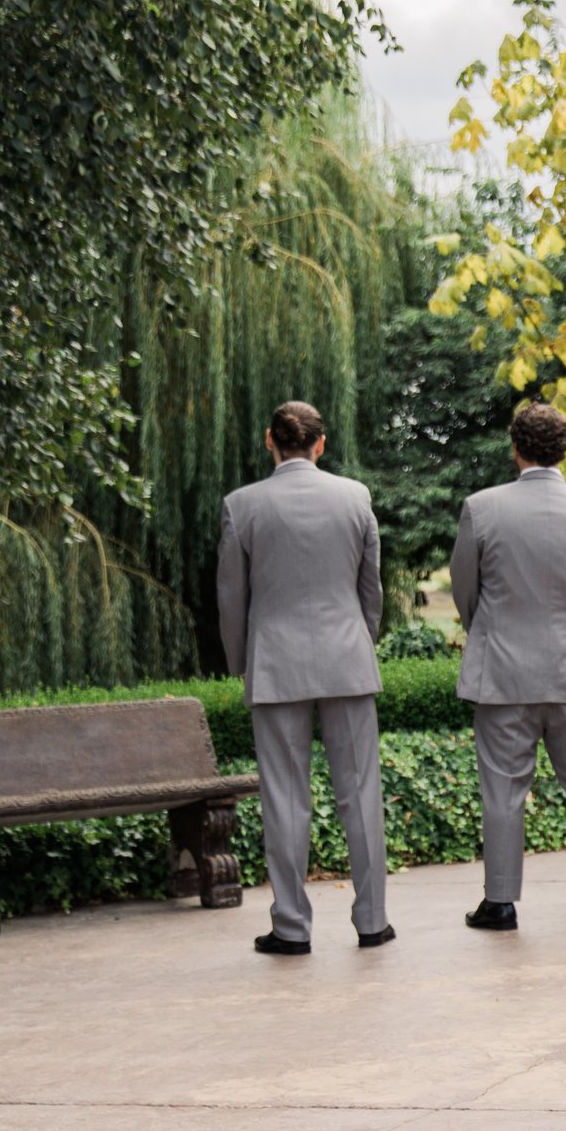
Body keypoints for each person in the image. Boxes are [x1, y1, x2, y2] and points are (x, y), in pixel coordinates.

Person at [216, 400, 393, 956]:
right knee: (360, 793)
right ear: (321, 443)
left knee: (284, 798)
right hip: (347, 659)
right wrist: (359, 640)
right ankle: (372, 921)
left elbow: (231, 596)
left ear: (270, 440)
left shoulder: (242, 505)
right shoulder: (355, 496)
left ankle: (291, 927)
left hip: (275, 662)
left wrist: (239, 660)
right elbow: (372, 587)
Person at [451, 401, 566, 929]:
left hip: (504, 672)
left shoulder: (481, 508)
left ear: (515, 447)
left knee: (503, 789)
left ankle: (501, 902)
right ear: (565, 448)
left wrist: (497, 628)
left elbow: (465, 593)